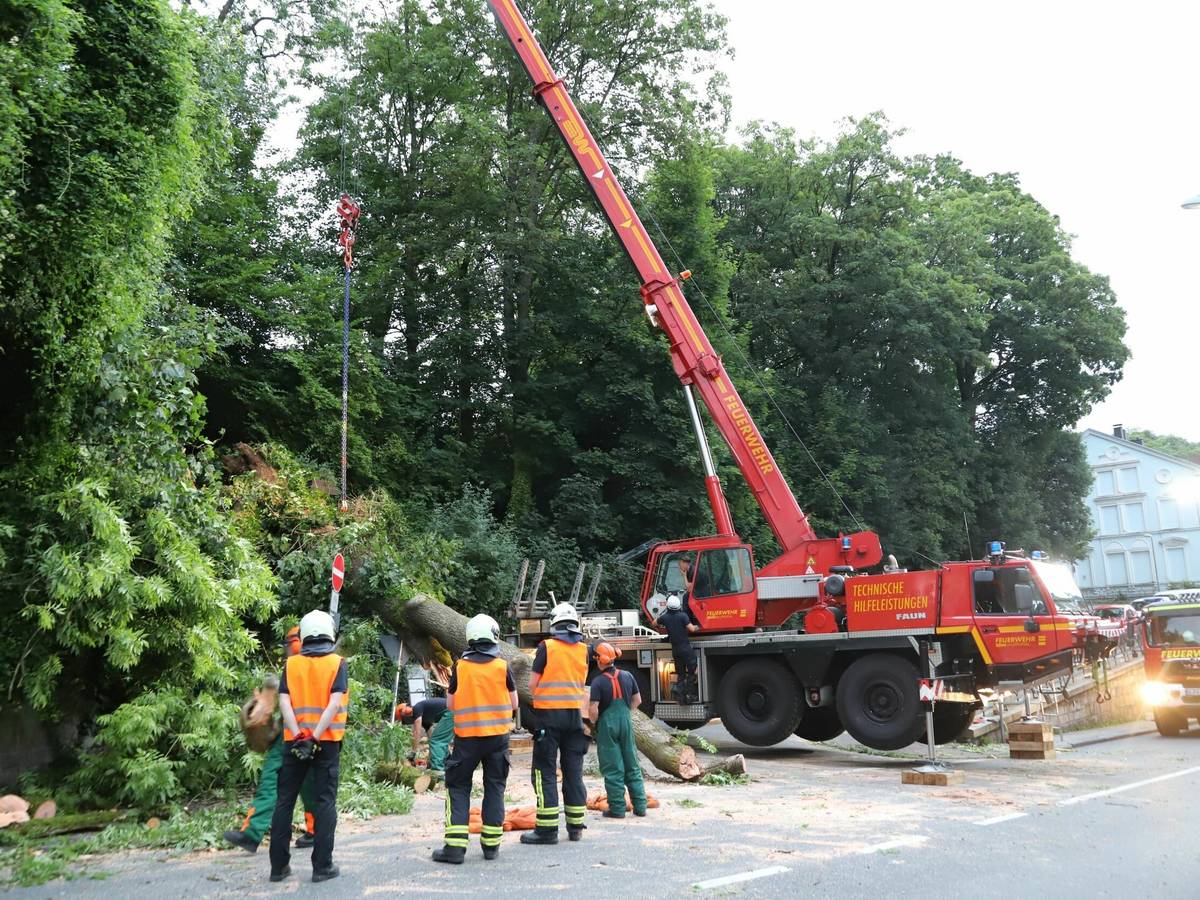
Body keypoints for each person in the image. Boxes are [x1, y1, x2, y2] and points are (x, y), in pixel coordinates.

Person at [268, 610, 348, 884]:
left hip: (295, 742)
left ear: (302, 635)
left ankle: (278, 868)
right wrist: (314, 736)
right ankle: (322, 867)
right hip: (325, 743)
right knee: (325, 802)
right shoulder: (337, 663)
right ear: (329, 633)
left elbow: (284, 703)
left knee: (285, 801)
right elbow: (334, 703)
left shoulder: (291, 665)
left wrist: (299, 735)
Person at [432, 614, 517, 864]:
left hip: (467, 739)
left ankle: (455, 849)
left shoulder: (461, 666)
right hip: (498, 740)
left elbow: (451, 704)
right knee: (495, 787)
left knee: (458, 788)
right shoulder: (502, 666)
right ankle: (491, 846)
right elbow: (513, 703)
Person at [224, 626, 317, 854]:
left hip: (311, 735)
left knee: (310, 786)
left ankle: (316, 830)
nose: (290, 650)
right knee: (270, 782)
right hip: (287, 734)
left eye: (292, 645)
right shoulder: (292, 668)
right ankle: (251, 834)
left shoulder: (317, 667)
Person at [522, 602, 591, 845]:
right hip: (574, 718)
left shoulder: (547, 648)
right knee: (573, 772)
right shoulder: (583, 649)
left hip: (548, 718)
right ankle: (575, 828)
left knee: (545, 771)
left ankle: (547, 830)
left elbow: (532, 685)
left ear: (554, 623)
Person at [587, 642, 647, 819]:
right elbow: (637, 700)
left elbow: (593, 709)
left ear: (600, 659)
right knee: (632, 763)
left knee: (612, 766)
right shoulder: (628, 676)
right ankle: (640, 806)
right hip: (626, 722)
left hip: (607, 725)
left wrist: (594, 723)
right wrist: (625, 713)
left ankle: (618, 809)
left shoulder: (598, 682)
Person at [655, 594, 700, 702]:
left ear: (668, 606)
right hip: (686, 649)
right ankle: (689, 695)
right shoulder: (683, 616)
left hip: (675, 651)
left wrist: (661, 628)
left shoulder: (664, 617)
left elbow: (654, 623)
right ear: (678, 605)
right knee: (693, 671)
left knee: (681, 674)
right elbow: (692, 629)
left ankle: (679, 693)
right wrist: (699, 626)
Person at [396, 697, 453, 770]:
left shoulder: (416, 708)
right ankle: (448, 763)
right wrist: (430, 760)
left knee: (437, 741)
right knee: (437, 741)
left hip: (451, 710)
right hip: (452, 711)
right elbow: (431, 738)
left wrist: (413, 752)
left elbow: (417, 733)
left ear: (405, 712)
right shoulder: (425, 719)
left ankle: (438, 772)